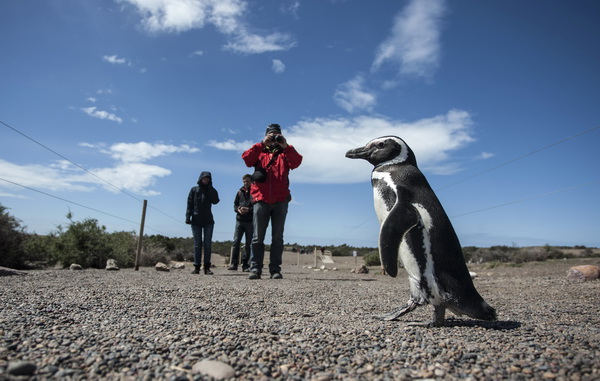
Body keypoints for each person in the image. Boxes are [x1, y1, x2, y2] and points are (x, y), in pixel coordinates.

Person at [242, 123, 303, 279]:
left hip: (280, 200)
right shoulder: (259, 152)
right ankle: (255, 268)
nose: (274, 138)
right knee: (257, 237)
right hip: (261, 199)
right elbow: (247, 159)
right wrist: (262, 144)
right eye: (272, 135)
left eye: (277, 135)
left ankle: (275, 269)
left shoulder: (285, 154)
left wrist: (286, 146)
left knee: (277, 238)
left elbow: (296, 162)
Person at [186, 171, 220, 275]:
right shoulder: (194, 190)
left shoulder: (211, 190)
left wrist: (210, 189)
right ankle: (196, 267)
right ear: (200, 178)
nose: (206, 180)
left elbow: (216, 201)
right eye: (204, 178)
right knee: (197, 245)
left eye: (208, 178)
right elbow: (189, 204)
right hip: (196, 220)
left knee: (207, 244)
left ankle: (207, 268)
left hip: (208, 221)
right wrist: (188, 216)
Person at [228, 174, 253, 272]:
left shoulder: (254, 192)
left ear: (251, 181)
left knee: (248, 244)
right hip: (239, 221)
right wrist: (238, 209)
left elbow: (257, 207)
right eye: (244, 181)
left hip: (250, 222)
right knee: (236, 242)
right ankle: (234, 264)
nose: (246, 183)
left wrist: (248, 210)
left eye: (247, 181)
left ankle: (245, 264)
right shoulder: (239, 192)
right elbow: (235, 205)